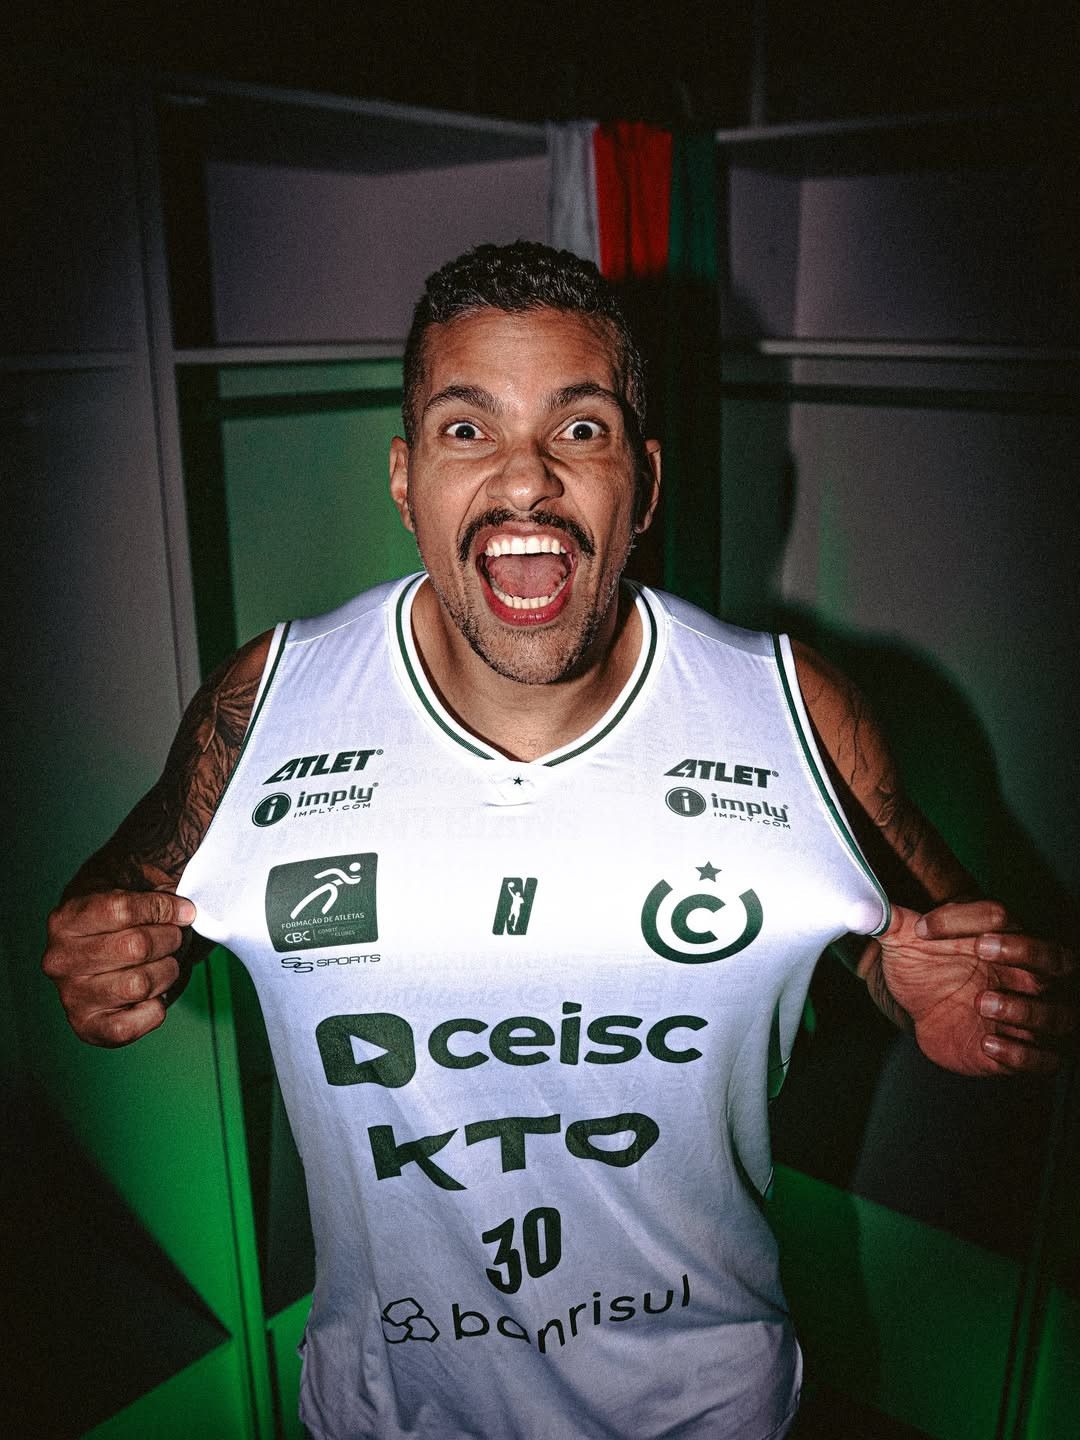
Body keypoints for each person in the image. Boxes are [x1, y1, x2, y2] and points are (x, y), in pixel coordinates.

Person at [43, 242, 1074, 1440]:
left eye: (579, 430)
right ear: (405, 478)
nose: (526, 478)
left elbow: (925, 952)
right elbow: (127, 886)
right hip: (389, 1411)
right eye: (466, 429)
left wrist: (957, 1001)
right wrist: (107, 953)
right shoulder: (268, 700)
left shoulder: (798, 712)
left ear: (644, 481)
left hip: (705, 1407)